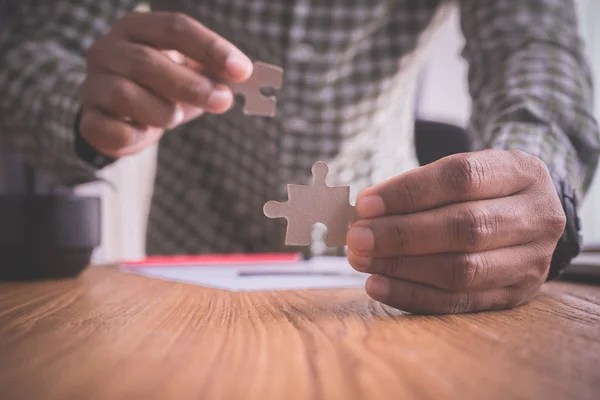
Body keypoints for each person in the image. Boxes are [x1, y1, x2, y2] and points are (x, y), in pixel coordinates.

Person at [0, 0, 599, 314]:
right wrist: (82, 105)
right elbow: (33, 45)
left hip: (387, 263)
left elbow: (534, 44)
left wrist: (540, 173)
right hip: (189, 254)